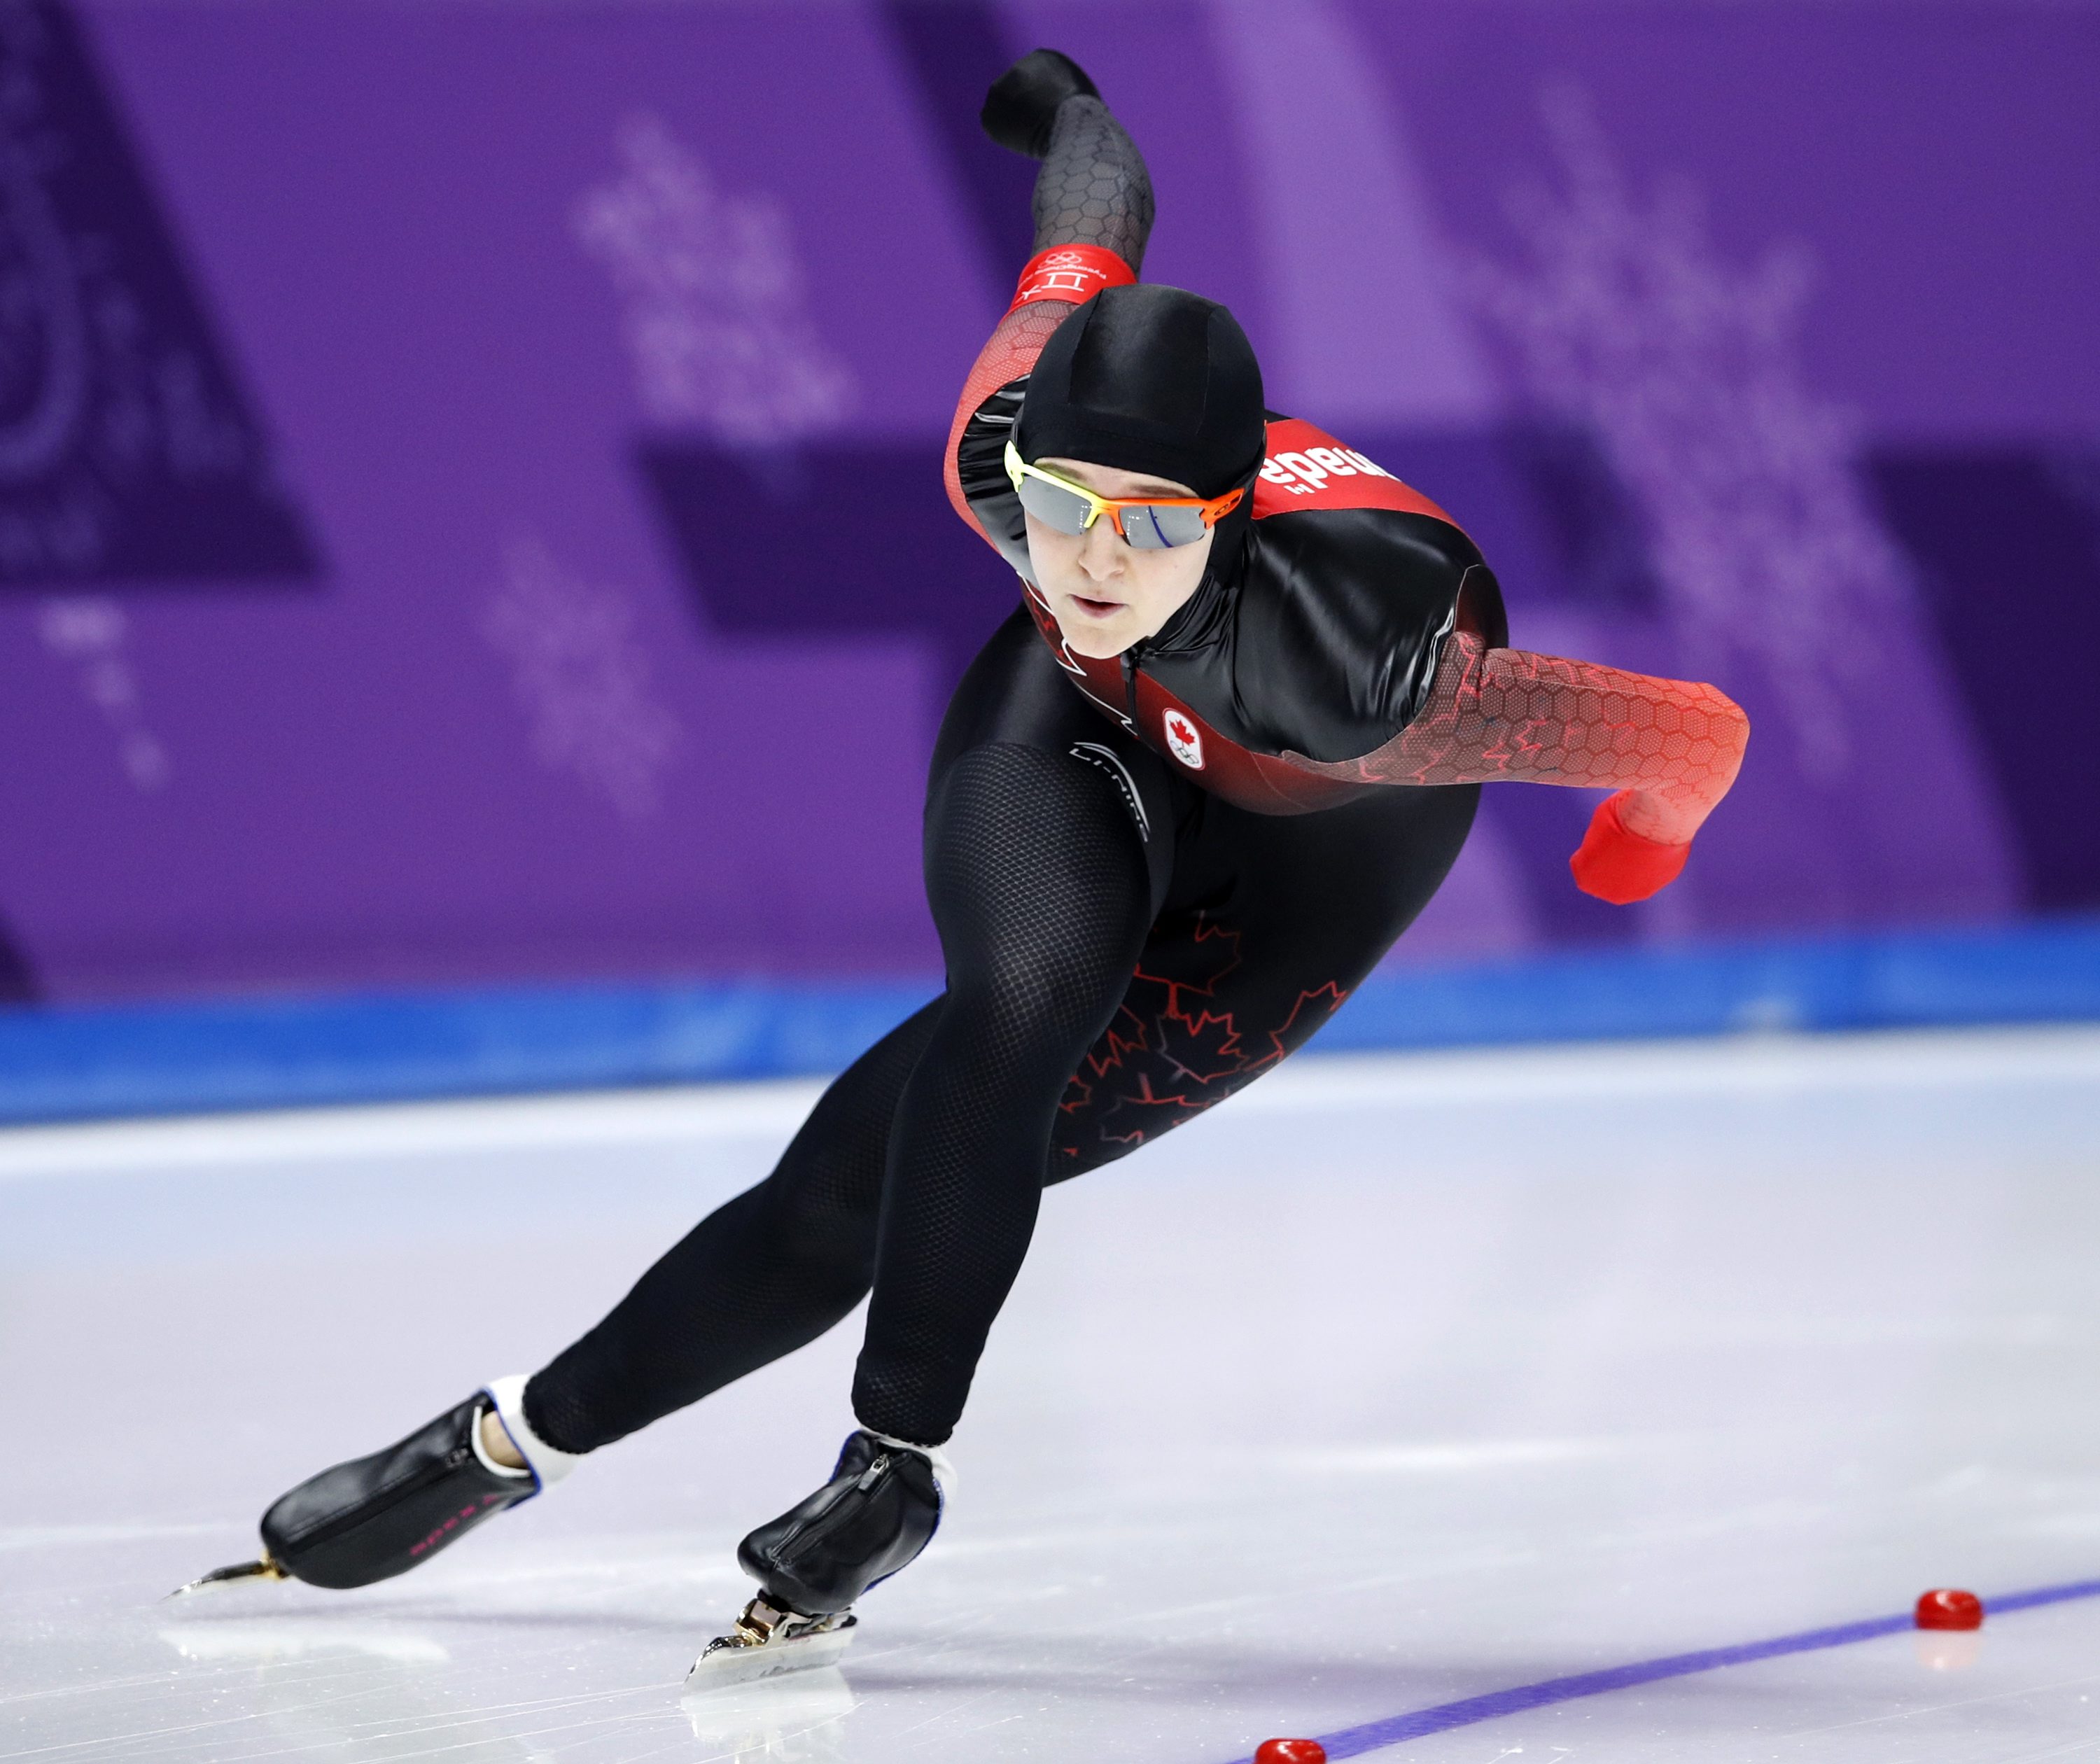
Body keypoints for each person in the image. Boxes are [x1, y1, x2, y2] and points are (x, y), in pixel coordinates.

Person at [176, 51, 1747, 1683]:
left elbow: (1694, 737)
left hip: (1315, 853)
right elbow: (1093, 222)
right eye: (1068, 508)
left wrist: (1640, 852)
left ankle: (869, 1458)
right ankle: (536, 1450)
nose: (1090, 559)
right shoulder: (999, 449)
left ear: (1232, 519)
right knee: (959, 1065)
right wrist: (1060, 106)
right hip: (1084, 725)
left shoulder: (1378, 677)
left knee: (912, 1157)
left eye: (1152, 527)